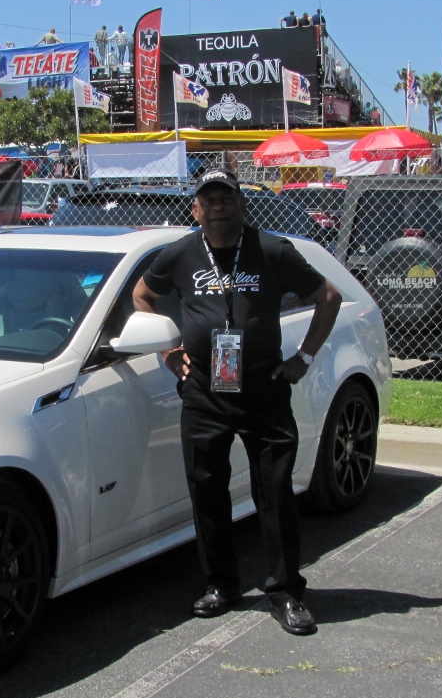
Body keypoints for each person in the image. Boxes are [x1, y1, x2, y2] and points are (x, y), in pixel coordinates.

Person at [133, 168, 342, 636]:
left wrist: (303, 358)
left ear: (241, 204)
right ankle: (221, 586)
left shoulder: (271, 251)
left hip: (263, 386)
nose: (218, 205)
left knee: (274, 490)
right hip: (204, 390)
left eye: (226, 197)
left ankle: (286, 592)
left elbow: (327, 297)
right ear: (196, 210)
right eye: (209, 199)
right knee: (206, 490)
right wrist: (168, 352)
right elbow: (142, 296)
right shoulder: (181, 254)